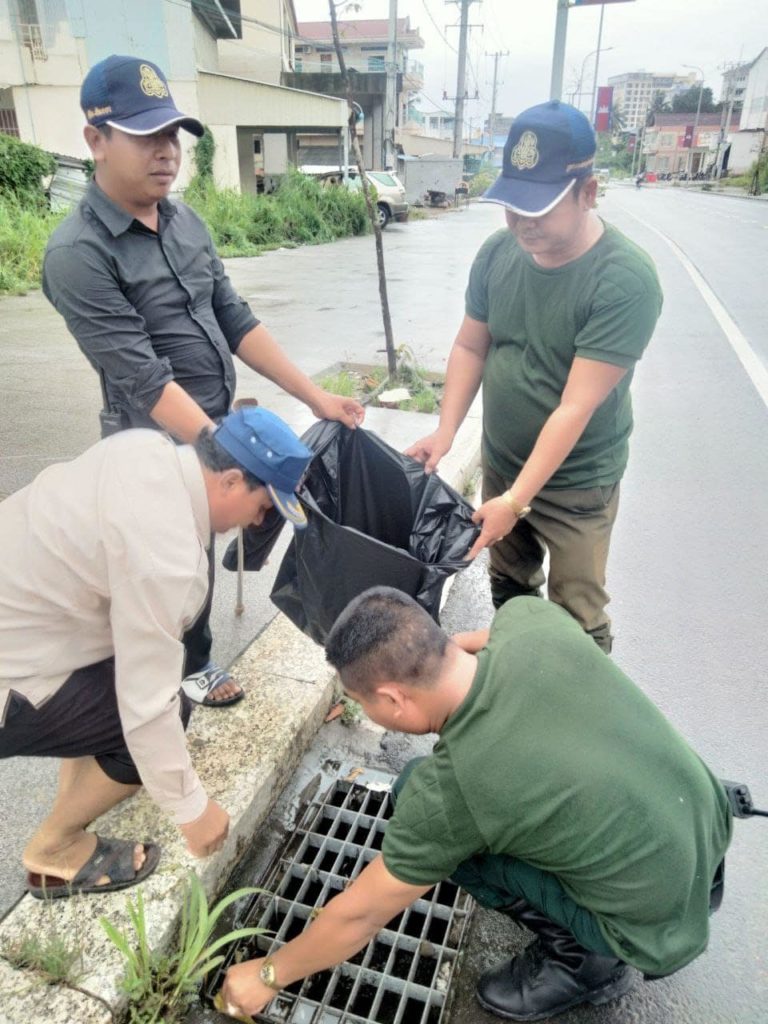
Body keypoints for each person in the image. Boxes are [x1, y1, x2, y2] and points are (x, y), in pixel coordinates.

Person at [220, 587, 731, 1021]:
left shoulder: (455, 791)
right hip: (704, 830)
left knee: (432, 815)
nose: (366, 712)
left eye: (365, 701)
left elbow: (359, 917)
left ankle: (587, 961)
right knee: (426, 787)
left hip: (652, 924)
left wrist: (268, 974)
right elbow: (479, 642)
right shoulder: (532, 620)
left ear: (394, 699)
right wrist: (430, 655)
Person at [42, 54, 364, 707]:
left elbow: (236, 320)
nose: (166, 152)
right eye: (145, 136)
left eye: (172, 135)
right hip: (149, 439)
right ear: (95, 141)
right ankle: (146, 673)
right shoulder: (78, 254)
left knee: (192, 550)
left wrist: (314, 395)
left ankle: (189, 658)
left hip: (212, 423)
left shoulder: (187, 222)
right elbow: (142, 376)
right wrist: (228, 452)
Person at [0, 407, 313, 898]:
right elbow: (146, 707)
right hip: (10, 678)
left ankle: (73, 804)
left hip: (26, 623)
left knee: (119, 678)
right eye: (265, 505)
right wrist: (193, 810)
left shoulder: (142, 447)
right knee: (161, 717)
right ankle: (54, 848)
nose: (259, 521)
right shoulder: (166, 557)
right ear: (231, 481)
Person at [406, 101, 663, 652]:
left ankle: (579, 714)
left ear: (588, 193)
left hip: (577, 482)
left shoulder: (625, 280)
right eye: (513, 206)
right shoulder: (498, 254)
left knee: (576, 616)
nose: (523, 223)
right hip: (504, 462)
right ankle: (517, 684)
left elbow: (575, 406)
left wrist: (516, 501)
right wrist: (446, 432)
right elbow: (471, 344)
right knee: (510, 588)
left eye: (540, 208)